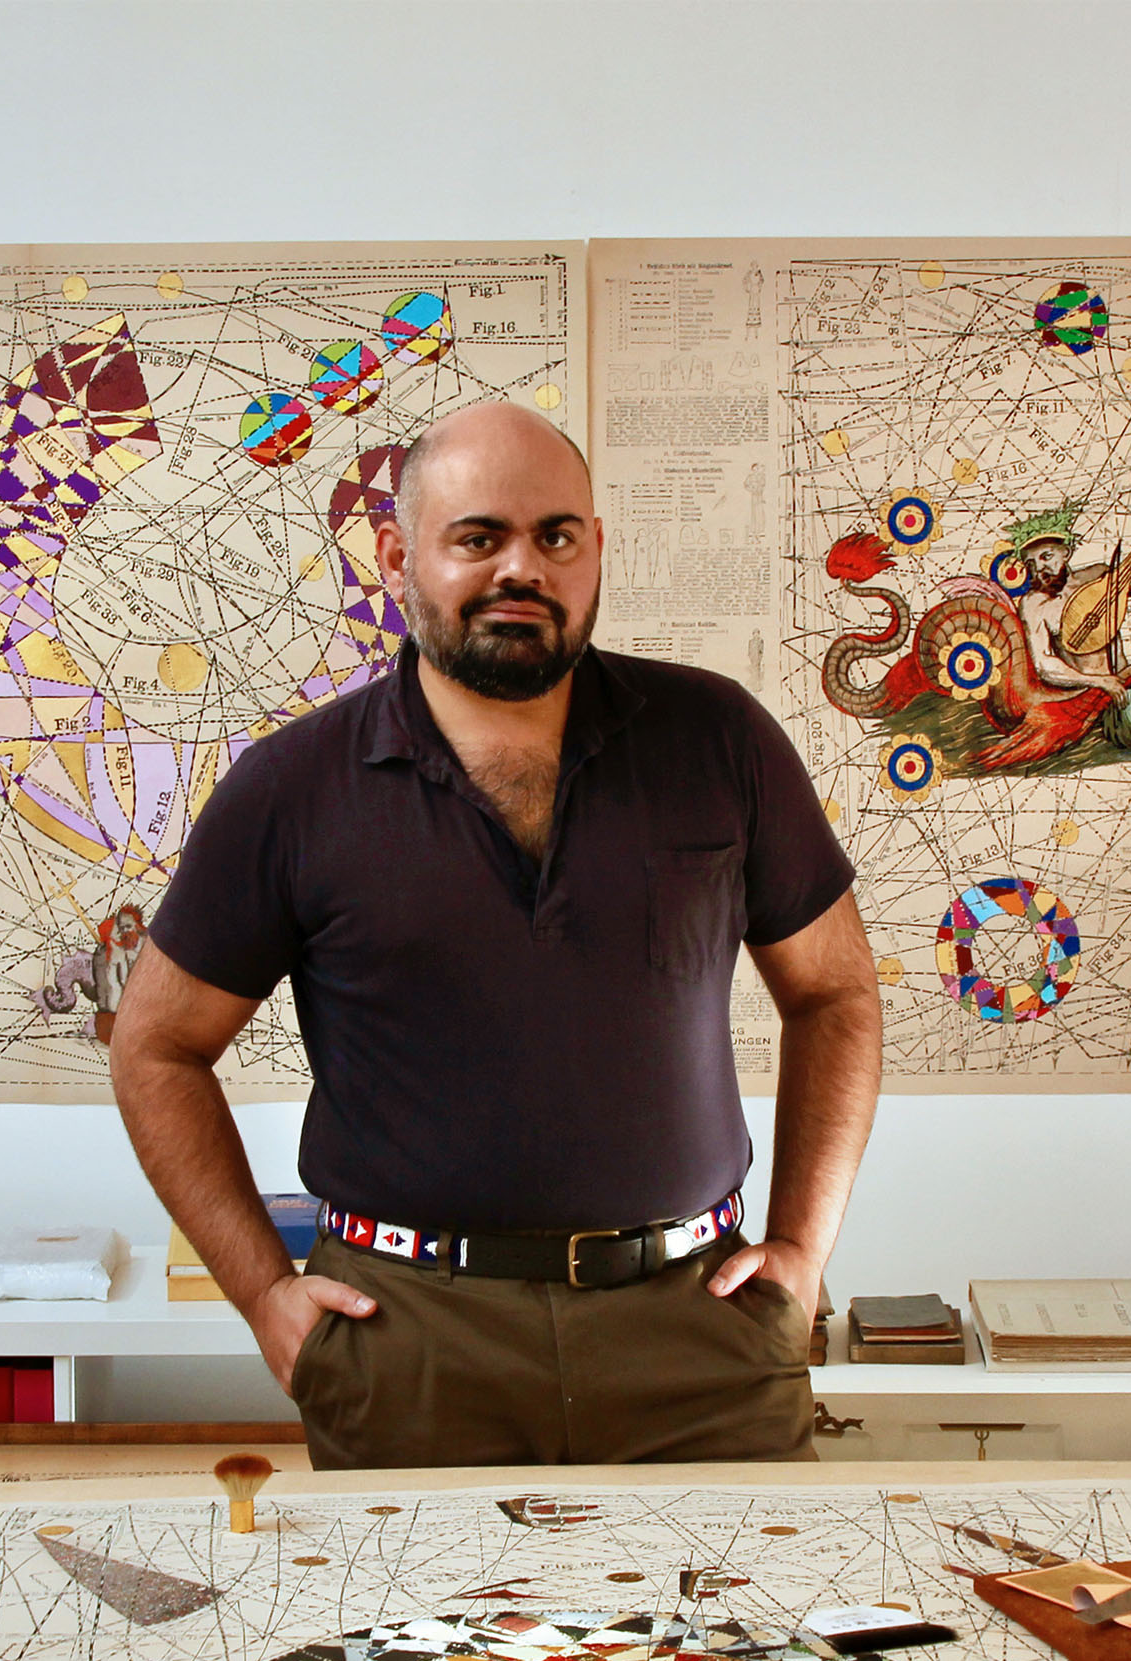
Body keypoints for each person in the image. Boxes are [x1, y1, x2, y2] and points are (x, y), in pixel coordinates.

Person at [111, 400, 880, 1470]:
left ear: (595, 549)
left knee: (741, 1639)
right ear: (396, 556)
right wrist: (262, 1295)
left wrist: (802, 1249)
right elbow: (156, 1045)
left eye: (555, 536)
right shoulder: (288, 790)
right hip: (410, 1343)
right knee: (419, 1643)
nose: (522, 566)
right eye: (477, 537)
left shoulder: (720, 740)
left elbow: (835, 992)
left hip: (694, 1334)